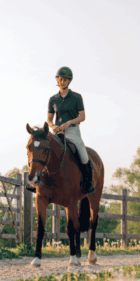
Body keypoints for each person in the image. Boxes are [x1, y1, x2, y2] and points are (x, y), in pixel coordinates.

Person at [47, 66, 95, 194]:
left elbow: (82, 117)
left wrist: (69, 122)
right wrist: (53, 126)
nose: (62, 82)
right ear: (57, 80)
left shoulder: (77, 97)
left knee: (84, 155)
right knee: (43, 149)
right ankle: (37, 181)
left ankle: (88, 183)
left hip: (73, 131)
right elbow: (49, 120)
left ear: (69, 81)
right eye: (60, 79)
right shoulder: (53, 99)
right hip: (57, 132)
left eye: (65, 80)